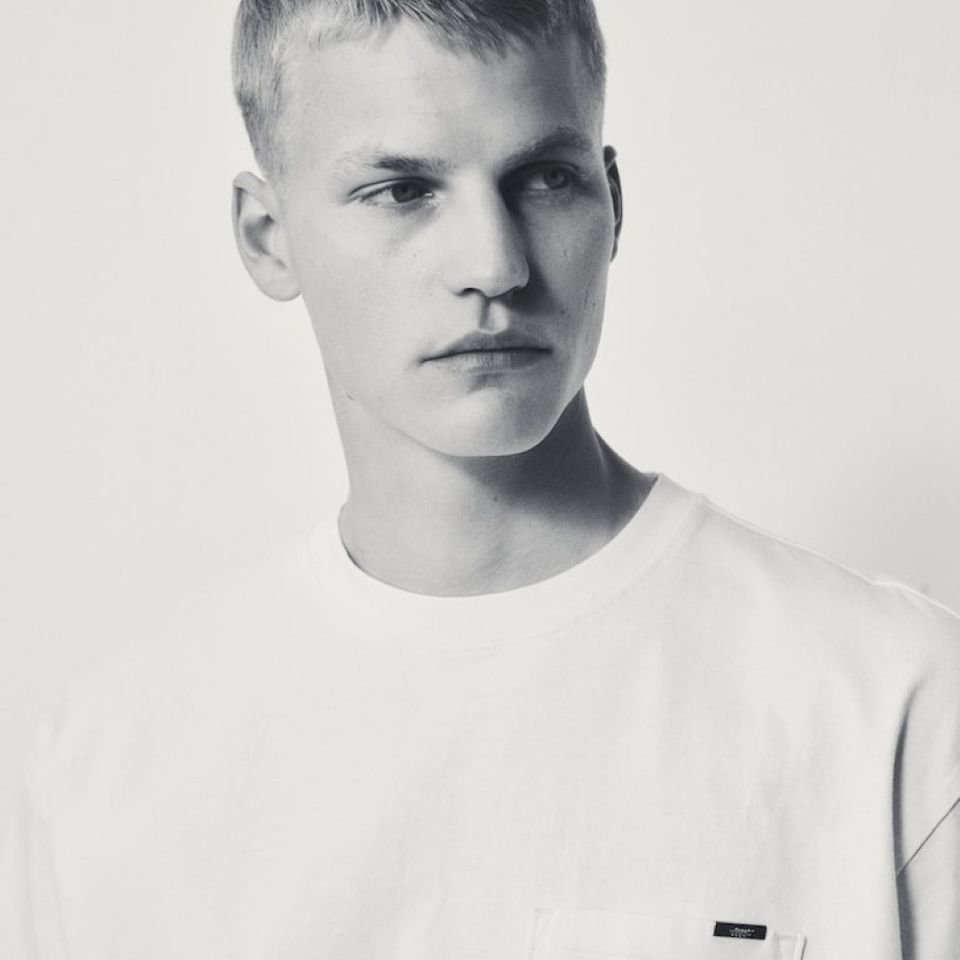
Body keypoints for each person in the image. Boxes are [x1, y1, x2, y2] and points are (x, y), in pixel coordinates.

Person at [1, 0, 957, 956]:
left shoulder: (891, 702)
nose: (495, 265)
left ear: (612, 204)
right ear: (266, 235)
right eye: (402, 191)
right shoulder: (107, 768)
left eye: (545, 179)